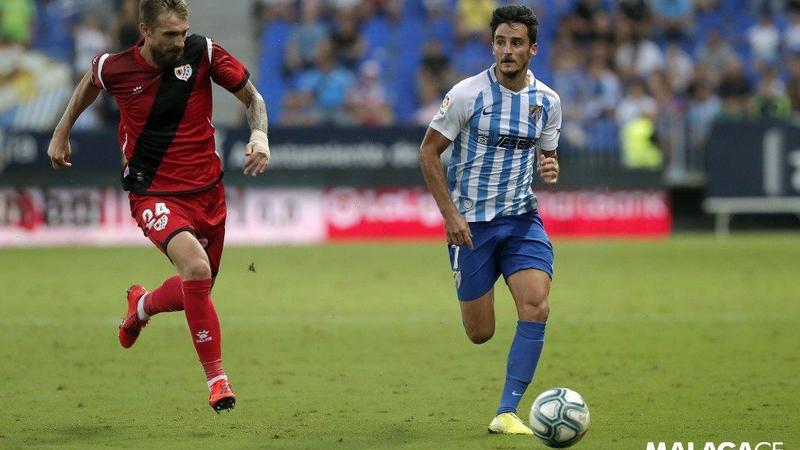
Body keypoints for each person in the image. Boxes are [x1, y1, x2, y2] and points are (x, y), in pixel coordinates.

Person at [46, 0, 270, 413]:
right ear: (145, 30)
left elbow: (252, 98)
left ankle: (142, 305)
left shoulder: (202, 52)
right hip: (152, 192)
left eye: (182, 32)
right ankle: (217, 381)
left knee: (196, 289)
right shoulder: (116, 67)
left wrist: (260, 135)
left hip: (208, 192)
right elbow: (90, 82)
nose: (179, 41)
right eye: (169, 34)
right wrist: (62, 131)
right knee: (196, 269)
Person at [419, 4, 561, 435]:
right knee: (480, 333)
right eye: (500, 42)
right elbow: (428, 152)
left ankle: (507, 411)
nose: (507, 50)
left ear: (533, 49)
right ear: (492, 45)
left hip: (521, 220)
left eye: (516, 43)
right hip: (471, 226)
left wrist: (550, 166)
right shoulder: (467, 95)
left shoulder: (547, 102)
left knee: (536, 306)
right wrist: (450, 215)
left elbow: (548, 154)